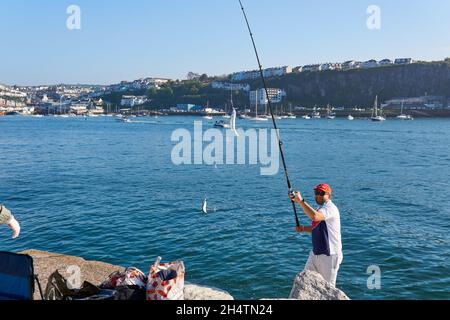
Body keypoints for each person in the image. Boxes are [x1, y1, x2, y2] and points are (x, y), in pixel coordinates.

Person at [289, 184, 342, 286]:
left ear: (329, 195)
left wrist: (300, 201)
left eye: (321, 193)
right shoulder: (320, 208)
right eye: (316, 193)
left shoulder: (330, 208)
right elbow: (317, 228)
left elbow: (314, 217)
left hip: (329, 256)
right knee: (304, 281)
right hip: (316, 253)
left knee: (328, 289)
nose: (318, 195)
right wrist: (303, 228)